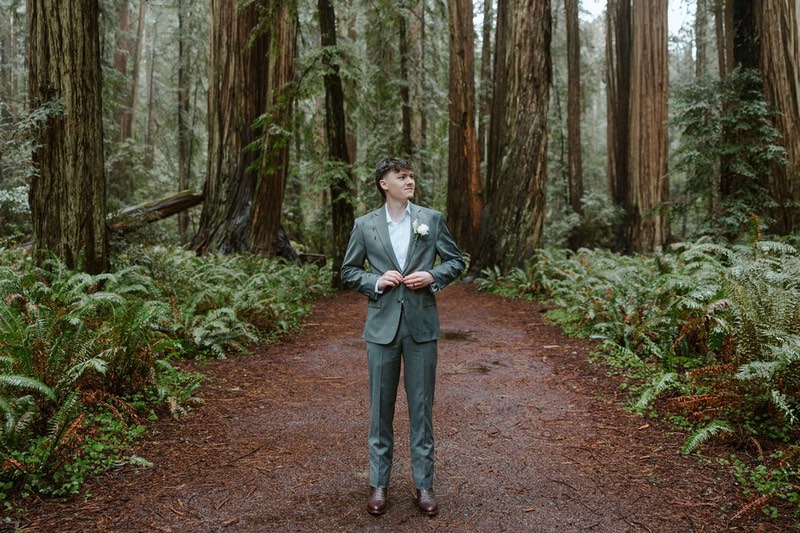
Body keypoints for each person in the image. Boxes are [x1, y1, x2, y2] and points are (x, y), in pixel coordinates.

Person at [340, 157, 466, 517]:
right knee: (380, 410)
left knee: (422, 410)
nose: (409, 181)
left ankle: (423, 485)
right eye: (401, 177)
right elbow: (349, 271)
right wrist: (376, 282)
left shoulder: (431, 219)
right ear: (384, 184)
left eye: (411, 176)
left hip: (421, 328)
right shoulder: (365, 225)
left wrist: (432, 276)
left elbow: (456, 261)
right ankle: (378, 485)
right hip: (381, 330)